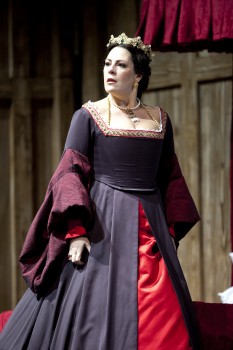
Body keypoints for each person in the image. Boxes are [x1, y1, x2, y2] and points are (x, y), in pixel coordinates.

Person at [0, 33, 201, 350]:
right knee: (96, 304)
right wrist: (77, 230)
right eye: (107, 63)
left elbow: (170, 176)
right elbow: (69, 173)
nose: (110, 70)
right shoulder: (88, 116)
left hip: (151, 223)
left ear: (137, 75)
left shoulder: (160, 119)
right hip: (103, 222)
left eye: (120, 65)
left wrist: (171, 228)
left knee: (165, 309)